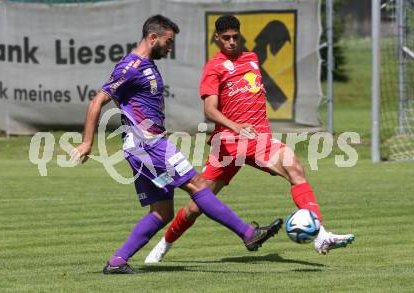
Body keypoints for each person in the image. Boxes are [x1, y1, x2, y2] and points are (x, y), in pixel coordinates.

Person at [71, 15, 283, 275]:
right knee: (198, 185)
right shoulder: (131, 66)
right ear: (152, 38)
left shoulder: (147, 64)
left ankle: (117, 261)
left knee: (162, 212)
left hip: (144, 146)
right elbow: (97, 101)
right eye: (168, 42)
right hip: (148, 145)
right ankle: (249, 234)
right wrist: (87, 143)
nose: (170, 48)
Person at [145, 15, 354, 264]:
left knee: (295, 168)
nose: (231, 42)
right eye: (226, 38)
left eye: (235, 37)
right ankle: (164, 244)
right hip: (228, 144)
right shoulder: (214, 67)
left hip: (256, 139)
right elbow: (209, 111)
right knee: (198, 204)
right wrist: (236, 126)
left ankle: (320, 233)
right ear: (216, 38)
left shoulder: (252, 59)